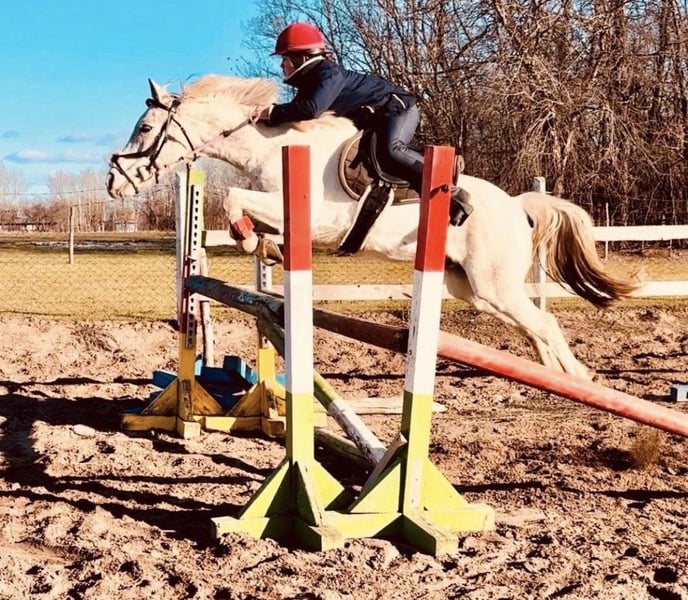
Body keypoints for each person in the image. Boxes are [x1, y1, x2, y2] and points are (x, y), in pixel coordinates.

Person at [250, 22, 472, 226]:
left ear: (301, 58)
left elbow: (311, 110)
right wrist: (263, 120)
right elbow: (295, 117)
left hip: (398, 108)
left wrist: (272, 112)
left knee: (391, 151)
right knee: (370, 155)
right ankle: (436, 162)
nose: (281, 65)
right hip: (376, 117)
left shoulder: (328, 74)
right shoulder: (312, 82)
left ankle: (451, 190)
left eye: (284, 58)